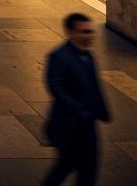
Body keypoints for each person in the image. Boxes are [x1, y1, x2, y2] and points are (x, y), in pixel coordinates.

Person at [42, 13, 110, 186]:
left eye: (90, 32)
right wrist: (77, 108)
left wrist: (101, 110)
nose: (88, 36)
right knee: (67, 165)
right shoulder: (59, 55)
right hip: (69, 124)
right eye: (83, 32)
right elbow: (55, 86)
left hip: (87, 123)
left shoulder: (89, 56)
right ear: (69, 32)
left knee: (89, 168)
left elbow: (94, 86)